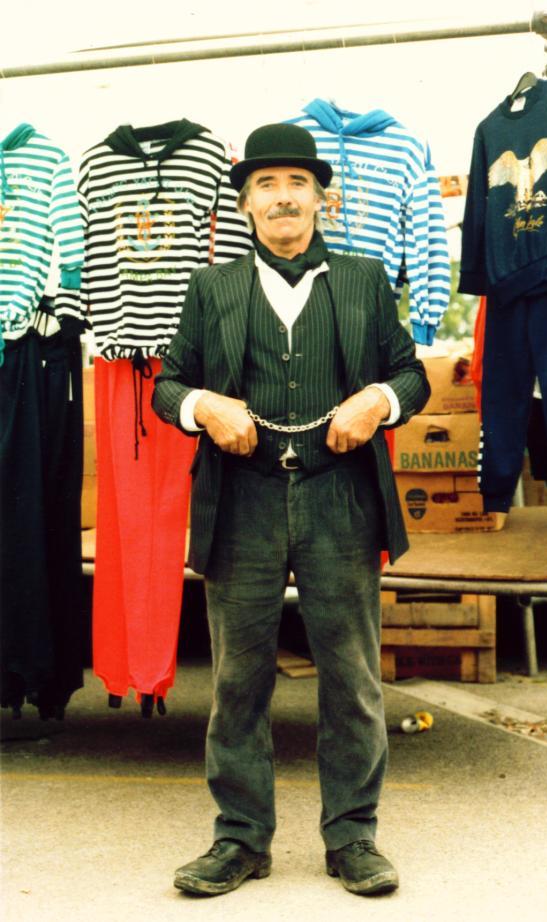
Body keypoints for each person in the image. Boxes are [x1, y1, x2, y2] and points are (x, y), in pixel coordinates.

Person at [152, 122, 430, 898]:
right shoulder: (213, 289)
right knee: (239, 679)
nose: (283, 197)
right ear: (244, 204)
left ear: (320, 199)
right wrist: (206, 407)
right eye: (267, 185)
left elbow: (412, 376)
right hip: (241, 501)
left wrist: (376, 402)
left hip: (339, 498)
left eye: (297, 184)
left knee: (351, 676)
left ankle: (354, 837)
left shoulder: (364, 279)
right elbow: (167, 384)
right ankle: (240, 838)